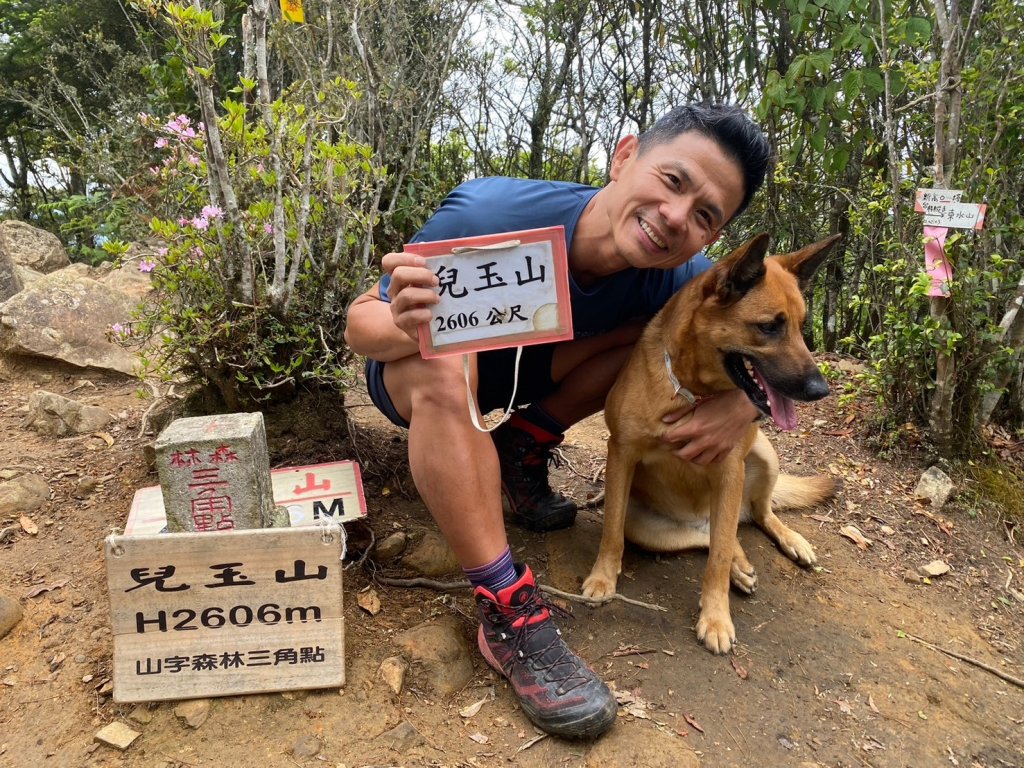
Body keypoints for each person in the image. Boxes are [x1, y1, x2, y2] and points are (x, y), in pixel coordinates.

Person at [344, 104, 771, 739]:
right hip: (419, 373)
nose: (676, 217)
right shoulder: (493, 215)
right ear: (625, 156)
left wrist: (746, 404)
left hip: (532, 372)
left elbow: (760, 330)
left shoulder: (681, 278)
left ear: (714, 237)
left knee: (648, 342)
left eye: (706, 215)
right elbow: (361, 325)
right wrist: (407, 320)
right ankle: (506, 607)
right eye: (674, 181)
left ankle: (522, 446)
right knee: (441, 358)